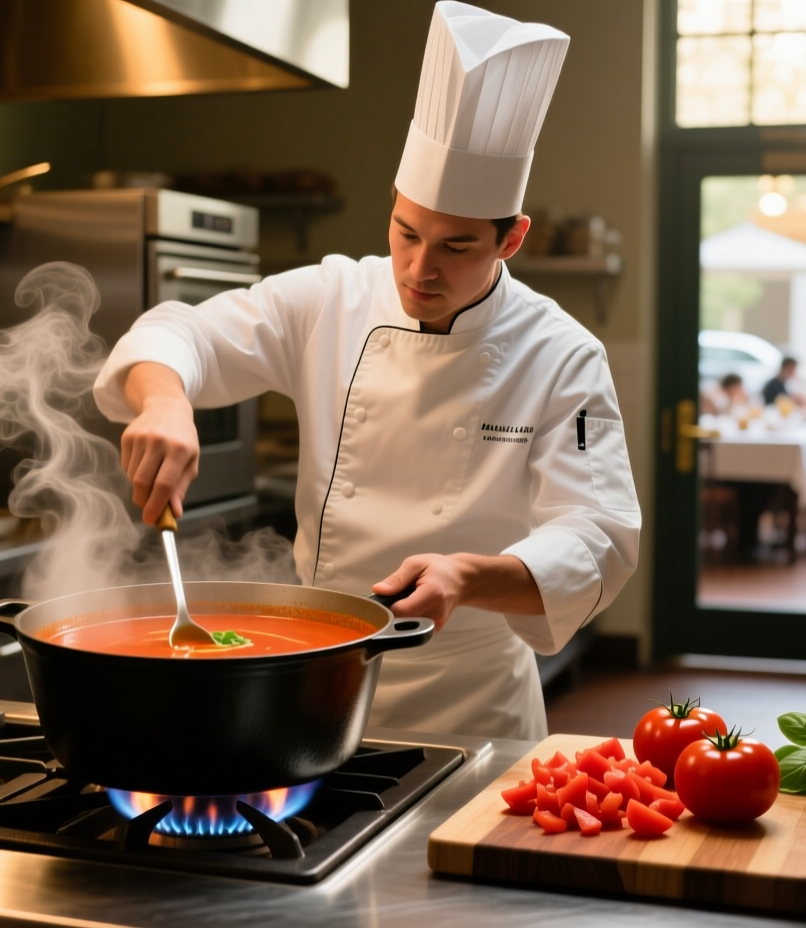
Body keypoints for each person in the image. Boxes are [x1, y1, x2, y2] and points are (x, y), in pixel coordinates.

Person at [93, 2, 639, 741]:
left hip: (470, 701)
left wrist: (468, 577)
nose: (420, 268)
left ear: (512, 238)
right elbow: (179, 331)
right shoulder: (333, 296)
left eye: (457, 247)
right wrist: (164, 402)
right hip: (315, 676)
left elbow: (597, 533)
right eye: (407, 232)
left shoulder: (562, 353)